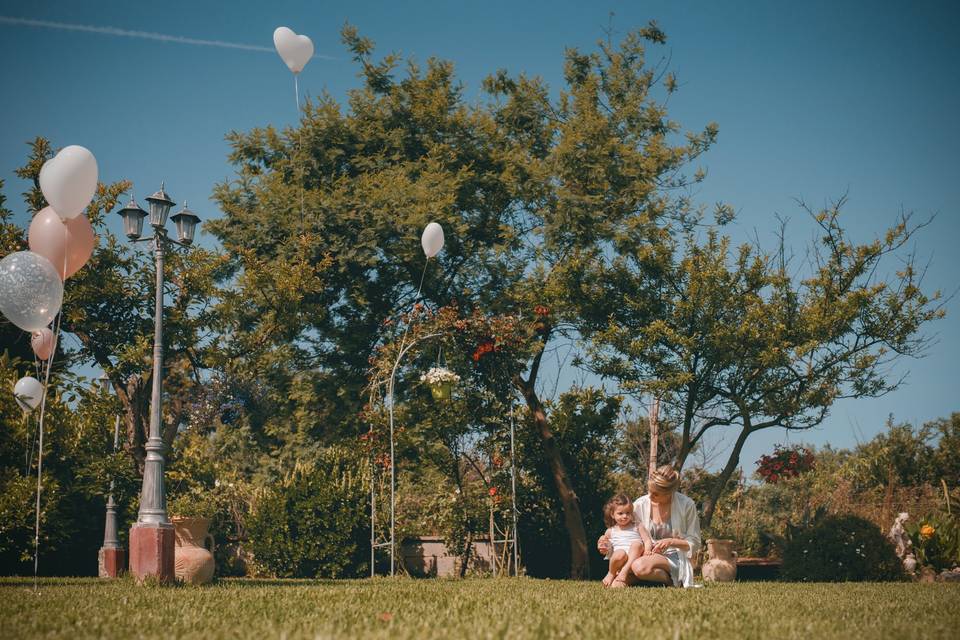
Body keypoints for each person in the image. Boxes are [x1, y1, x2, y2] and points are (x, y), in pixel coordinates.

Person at [597, 465, 702, 587]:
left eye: (656, 494)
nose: (650, 496)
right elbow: (622, 531)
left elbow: (695, 542)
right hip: (643, 555)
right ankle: (647, 578)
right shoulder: (640, 504)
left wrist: (671, 541)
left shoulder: (686, 505)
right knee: (616, 585)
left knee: (639, 566)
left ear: (670, 493)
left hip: (674, 557)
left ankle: (670, 581)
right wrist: (604, 541)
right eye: (649, 491)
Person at [601, 494, 653, 588]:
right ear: (612, 515)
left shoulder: (637, 526)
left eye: (628, 513)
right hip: (619, 565)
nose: (625, 516)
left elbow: (647, 540)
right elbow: (606, 547)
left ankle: (625, 572)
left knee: (637, 544)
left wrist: (647, 550)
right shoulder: (610, 531)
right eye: (620, 513)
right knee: (620, 554)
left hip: (634, 565)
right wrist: (603, 545)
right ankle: (612, 573)